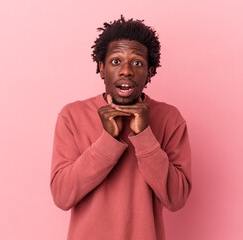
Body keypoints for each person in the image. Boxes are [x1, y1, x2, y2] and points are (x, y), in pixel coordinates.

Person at [50, 15, 192, 240]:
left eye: (137, 63)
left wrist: (145, 136)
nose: (126, 71)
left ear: (150, 72)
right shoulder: (72, 116)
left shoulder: (169, 118)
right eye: (116, 61)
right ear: (101, 67)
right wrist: (108, 140)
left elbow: (177, 199)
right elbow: (62, 196)